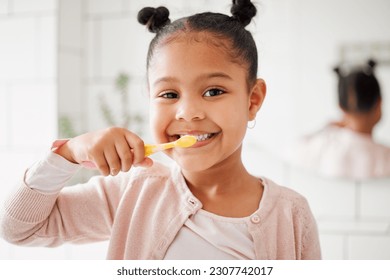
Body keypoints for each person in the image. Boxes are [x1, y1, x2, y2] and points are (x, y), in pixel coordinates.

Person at [0, 0, 321, 260]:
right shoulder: (132, 193)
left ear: (252, 100)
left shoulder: (291, 215)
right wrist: (68, 154)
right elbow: (18, 228)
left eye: (213, 91)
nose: (189, 113)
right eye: (169, 95)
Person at [290, 60, 390, 179]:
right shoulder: (386, 156)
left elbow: (291, 151)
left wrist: (327, 128)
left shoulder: (320, 146)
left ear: (341, 107)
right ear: (379, 103)